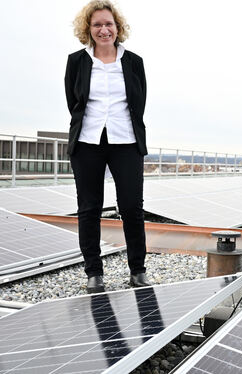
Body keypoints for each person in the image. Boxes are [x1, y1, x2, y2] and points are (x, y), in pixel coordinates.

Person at [65, 0, 150, 293]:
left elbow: (139, 103)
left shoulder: (134, 62)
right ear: (88, 29)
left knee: (131, 207)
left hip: (125, 142)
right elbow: (73, 102)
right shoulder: (77, 61)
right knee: (89, 208)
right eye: (97, 24)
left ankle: (138, 270)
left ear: (118, 27)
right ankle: (94, 273)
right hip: (87, 142)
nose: (104, 30)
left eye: (109, 24)